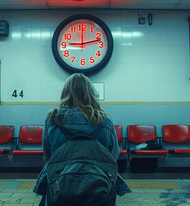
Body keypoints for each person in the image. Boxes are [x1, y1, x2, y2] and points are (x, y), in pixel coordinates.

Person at [34, 73, 131, 206]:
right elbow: (113, 156)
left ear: (65, 92)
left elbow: (49, 155)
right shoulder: (104, 120)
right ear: (91, 93)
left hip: (60, 185)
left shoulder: (53, 119)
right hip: (99, 187)